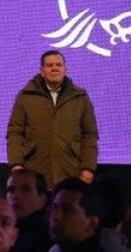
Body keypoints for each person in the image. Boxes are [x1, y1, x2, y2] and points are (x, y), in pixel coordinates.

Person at [7, 50, 98, 190]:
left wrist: (88, 167)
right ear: (42, 71)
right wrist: (16, 164)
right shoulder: (25, 96)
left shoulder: (80, 97)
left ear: (65, 70)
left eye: (58, 65)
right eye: (49, 65)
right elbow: (15, 133)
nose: (54, 68)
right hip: (34, 171)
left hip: (70, 170)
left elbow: (90, 135)